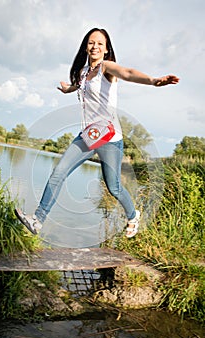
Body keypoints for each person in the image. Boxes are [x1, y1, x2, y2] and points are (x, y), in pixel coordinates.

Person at [15, 28, 179, 237]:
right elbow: (81, 86)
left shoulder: (106, 67)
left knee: (114, 187)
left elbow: (128, 73)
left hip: (110, 139)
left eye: (100, 43)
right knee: (58, 173)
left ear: (106, 49)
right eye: (92, 43)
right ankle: (38, 220)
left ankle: (132, 215)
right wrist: (68, 90)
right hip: (88, 135)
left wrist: (154, 81)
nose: (95, 47)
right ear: (86, 46)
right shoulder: (84, 72)